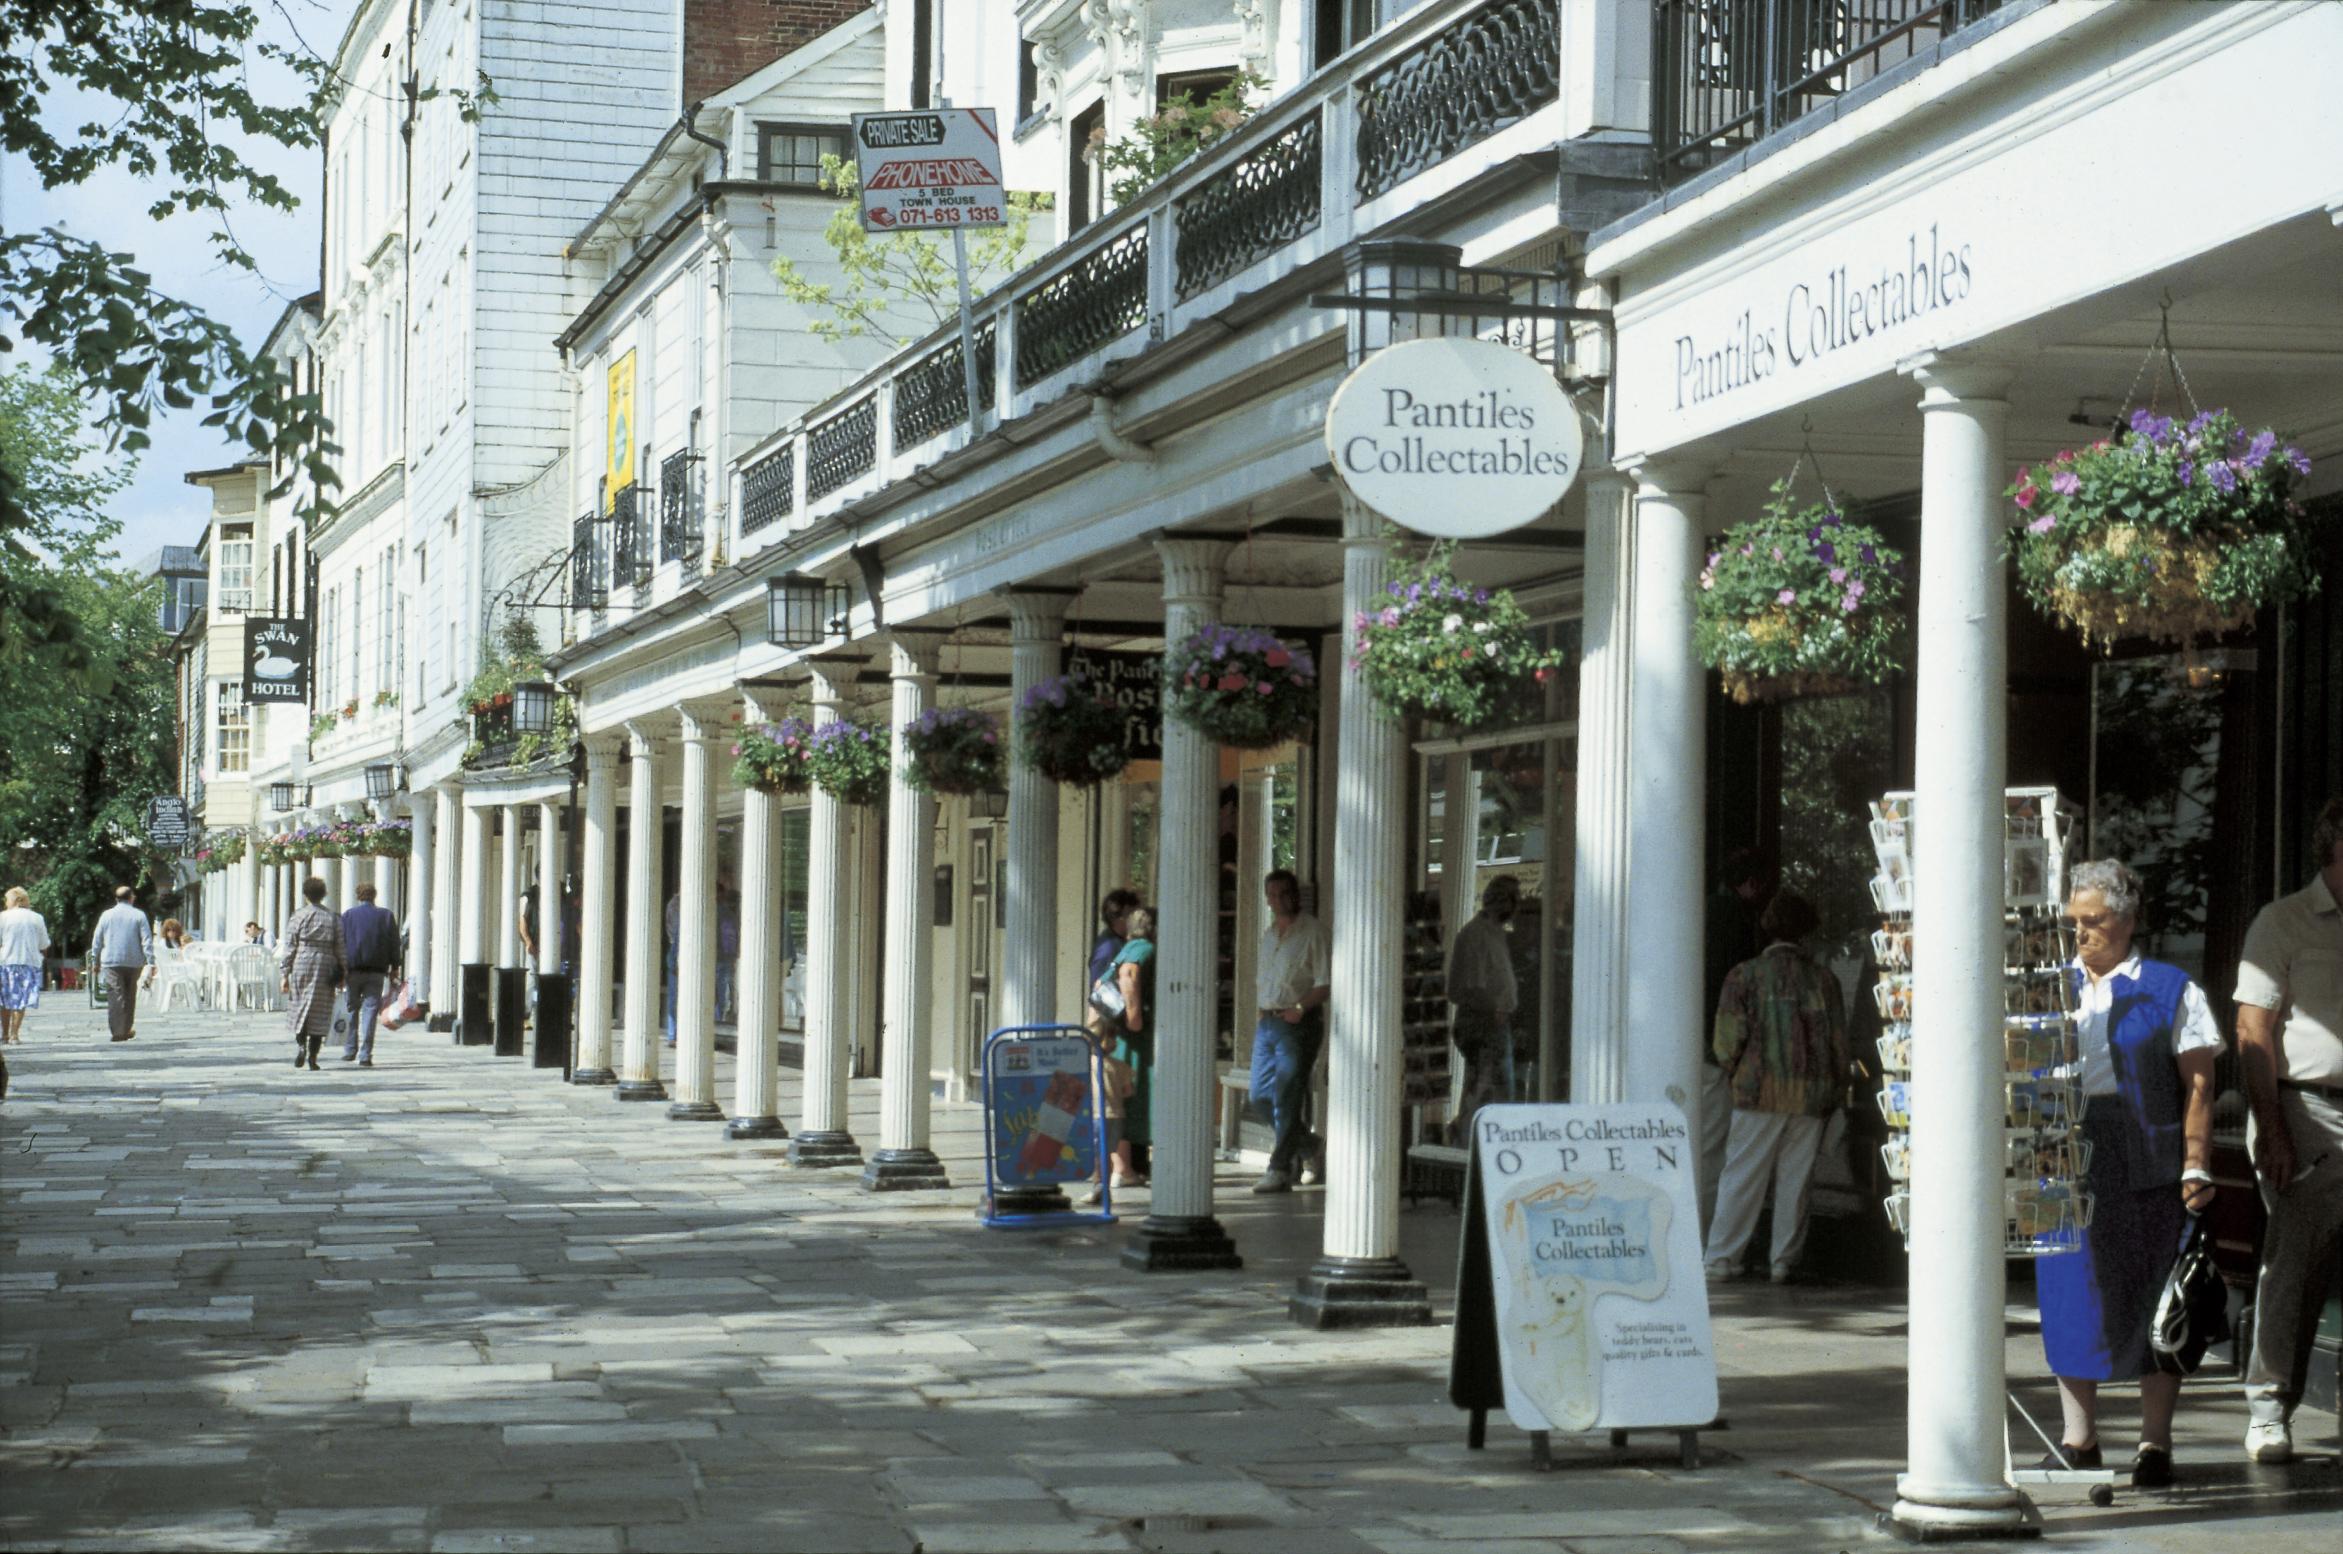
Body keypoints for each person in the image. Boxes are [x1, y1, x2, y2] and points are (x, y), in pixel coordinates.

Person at [2033, 859, 2221, 1489]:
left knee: (2153, 1295)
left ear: (2128, 919)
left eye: (2095, 921)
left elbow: (2199, 1084)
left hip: (2146, 1156)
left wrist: (2196, 1161)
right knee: (2068, 1290)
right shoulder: (2046, 985)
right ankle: (2078, 1439)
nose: (2082, 934)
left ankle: (2155, 1445)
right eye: (2074, 923)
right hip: (2062, 1154)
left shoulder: (2171, 987)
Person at [2234, 796, 2343, 1465]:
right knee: (2294, 1268)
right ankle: (2269, 1409)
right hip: (2306, 1112)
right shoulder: (2283, 922)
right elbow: (2251, 1031)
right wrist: (2271, 1126)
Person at [1703, 890, 1847, 1286]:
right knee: (1795, 1183)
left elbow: (1726, 1041)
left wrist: (1737, 1070)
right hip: (1811, 1094)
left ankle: (1722, 1258)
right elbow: (1838, 1043)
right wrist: (1835, 1090)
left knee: (1742, 1177)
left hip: (1758, 1090)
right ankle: (1783, 1261)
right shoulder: (1825, 980)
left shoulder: (1744, 975)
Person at [1701, 847, 1774, 1233]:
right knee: (1714, 1148)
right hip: (1718, 1051)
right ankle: (1706, 1233)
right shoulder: (1734, 921)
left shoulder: (1706, 913)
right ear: (1750, 883)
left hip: (1706, 1046)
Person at [1252, 869, 1331, 1194]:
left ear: (1295, 895)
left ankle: (1280, 1168)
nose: (1278, 900)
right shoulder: (1269, 934)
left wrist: (1299, 1009)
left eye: (1284, 893)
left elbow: (1325, 981)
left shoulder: (1313, 931)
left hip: (1298, 1021)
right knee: (1259, 1096)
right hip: (1268, 1021)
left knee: (1286, 1096)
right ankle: (1310, 1146)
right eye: (1272, 895)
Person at [1447, 875, 1522, 1141]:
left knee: (1483, 1087)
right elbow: (1471, 986)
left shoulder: (1495, 934)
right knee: (1492, 1090)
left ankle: (1466, 1133)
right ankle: (1472, 1140)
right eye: (1514, 899)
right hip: (1484, 1022)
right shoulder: (1477, 935)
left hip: (1492, 1020)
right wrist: (1495, 1010)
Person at [1104, 906, 1157, 1191]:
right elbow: (1129, 975)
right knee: (1136, 1101)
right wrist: (1135, 1019)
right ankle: (1124, 1170)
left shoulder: (1125, 947)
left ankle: (1121, 1169)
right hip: (1134, 1042)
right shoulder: (1144, 949)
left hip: (1118, 1038)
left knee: (1120, 1103)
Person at [279, 876, 348, 1071]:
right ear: (324, 894)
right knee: (320, 1010)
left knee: (300, 1005)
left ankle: (301, 1045)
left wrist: (285, 973)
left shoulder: (298, 916)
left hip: (302, 962)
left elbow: (290, 946)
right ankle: (313, 1056)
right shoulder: (333, 918)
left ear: (305, 895)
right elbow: (340, 947)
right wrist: (343, 971)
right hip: (325, 963)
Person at [339, 881, 401, 1067]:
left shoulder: (348, 916)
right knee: (370, 1012)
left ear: (358, 896)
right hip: (376, 970)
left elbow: (340, 943)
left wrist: (340, 969)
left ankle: (350, 1049)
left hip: (353, 969)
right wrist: (395, 967)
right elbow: (394, 943)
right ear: (374, 896)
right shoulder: (386, 916)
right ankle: (365, 1054)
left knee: (351, 1009)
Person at [89, 886, 154, 1043]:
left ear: (116, 899)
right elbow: (146, 940)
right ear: (131, 897)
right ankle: (125, 1028)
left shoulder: (106, 915)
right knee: (130, 995)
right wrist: (151, 961)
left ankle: (118, 1031)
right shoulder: (139, 915)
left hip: (111, 961)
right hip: (134, 961)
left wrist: (94, 960)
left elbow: (97, 939)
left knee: (116, 995)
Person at [1, 887, 52, 1045]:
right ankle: (14, 1034)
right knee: (20, 1000)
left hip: (5, 962)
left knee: (4, 1000)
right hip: (28, 962)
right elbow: (44, 943)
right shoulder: (37, 918)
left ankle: (4, 1034)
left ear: (14, 900)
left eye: (6, 900)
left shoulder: (2, 917)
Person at [1088, 889, 1139, 988]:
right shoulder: (1107, 949)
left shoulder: (1125, 941)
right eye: (1133, 914)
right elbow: (1099, 990)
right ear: (1119, 918)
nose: (1138, 919)